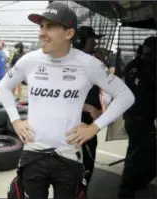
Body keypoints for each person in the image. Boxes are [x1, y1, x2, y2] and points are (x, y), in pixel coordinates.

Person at [0, 2, 135, 199]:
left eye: (50, 26)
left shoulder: (89, 64)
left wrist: (94, 127)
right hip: (33, 153)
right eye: (41, 26)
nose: (41, 33)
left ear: (69, 33)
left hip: (68, 155)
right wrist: (16, 120)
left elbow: (126, 96)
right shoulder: (29, 60)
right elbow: (4, 87)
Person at [118, 36, 156, 198]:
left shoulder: (135, 64)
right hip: (139, 118)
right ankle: (128, 189)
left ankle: (132, 185)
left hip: (136, 118)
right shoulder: (147, 66)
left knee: (137, 153)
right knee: (141, 155)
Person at [72, 25, 106, 194]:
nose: (95, 44)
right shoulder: (74, 64)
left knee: (86, 164)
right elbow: (63, 94)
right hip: (79, 123)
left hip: (88, 124)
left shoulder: (90, 61)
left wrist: (101, 61)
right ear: (80, 41)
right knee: (83, 166)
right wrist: (88, 107)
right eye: (93, 40)